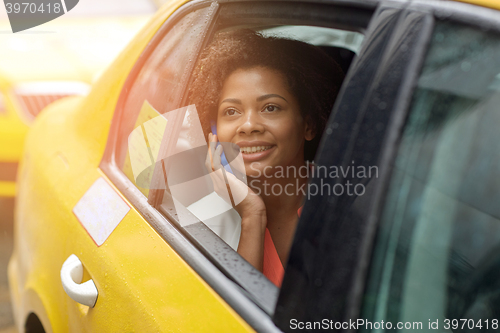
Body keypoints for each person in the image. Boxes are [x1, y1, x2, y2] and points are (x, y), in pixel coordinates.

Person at [189, 29, 344, 287]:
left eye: (270, 107)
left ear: (309, 126)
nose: (248, 125)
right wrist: (252, 214)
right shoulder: (206, 214)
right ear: (214, 132)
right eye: (231, 111)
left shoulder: (343, 200)